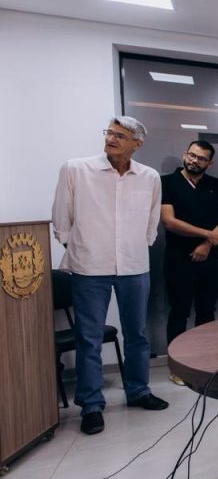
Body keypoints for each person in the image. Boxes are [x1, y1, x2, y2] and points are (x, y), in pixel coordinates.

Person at [51, 117, 168, 436]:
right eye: (110, 133)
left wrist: (138, 246)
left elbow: (152, 219)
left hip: (134, 265)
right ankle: (91, 405)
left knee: (137, 334)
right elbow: (61, 216)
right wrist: (78, 247)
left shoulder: (149, 177)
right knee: (88, 338)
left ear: (137, 144)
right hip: (90, 266)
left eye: (120, 135)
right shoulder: (76, 169)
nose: (111, 139)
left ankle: (138, 391)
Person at [160, 140, 218, 384]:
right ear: (185, 154)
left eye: (201, 158)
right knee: (179, 311)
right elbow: (169, 221)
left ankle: (204, 363)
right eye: (191, 155)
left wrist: (207, 244)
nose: (194, 161)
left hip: (212, 260)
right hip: (178, 259)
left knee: (206, 311)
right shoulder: (167, 183)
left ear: (210, 163)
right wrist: (207, 235)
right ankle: (177, 368)